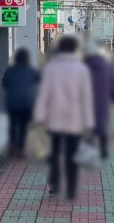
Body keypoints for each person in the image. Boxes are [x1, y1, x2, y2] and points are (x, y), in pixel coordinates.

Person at [34, 36, 94, 200]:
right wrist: (88, 122)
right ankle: (71, 188)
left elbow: (43, 94)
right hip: (74, 121)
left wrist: (39, 116)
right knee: (71, 154)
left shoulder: (51, 68)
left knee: (53, 153)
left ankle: (54, 185)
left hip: (54, 119)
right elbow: (86, 98)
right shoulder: (82, 69)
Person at [83, 41, 114, 159]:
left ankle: (89, 149)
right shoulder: (106, 66)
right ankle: (103, 150)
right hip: (102, 101)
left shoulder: (83, 66)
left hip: (87, 101)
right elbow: (112, 85)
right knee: (102, 125)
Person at [1, 47, 40, 158]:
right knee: (23, 126)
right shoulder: (31, 71)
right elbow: (39, 81)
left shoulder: (10, 70)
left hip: (12, 102)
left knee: (13, 125)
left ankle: (12, 147)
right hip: (26, 103)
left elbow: (4, 85)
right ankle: (21, 148)